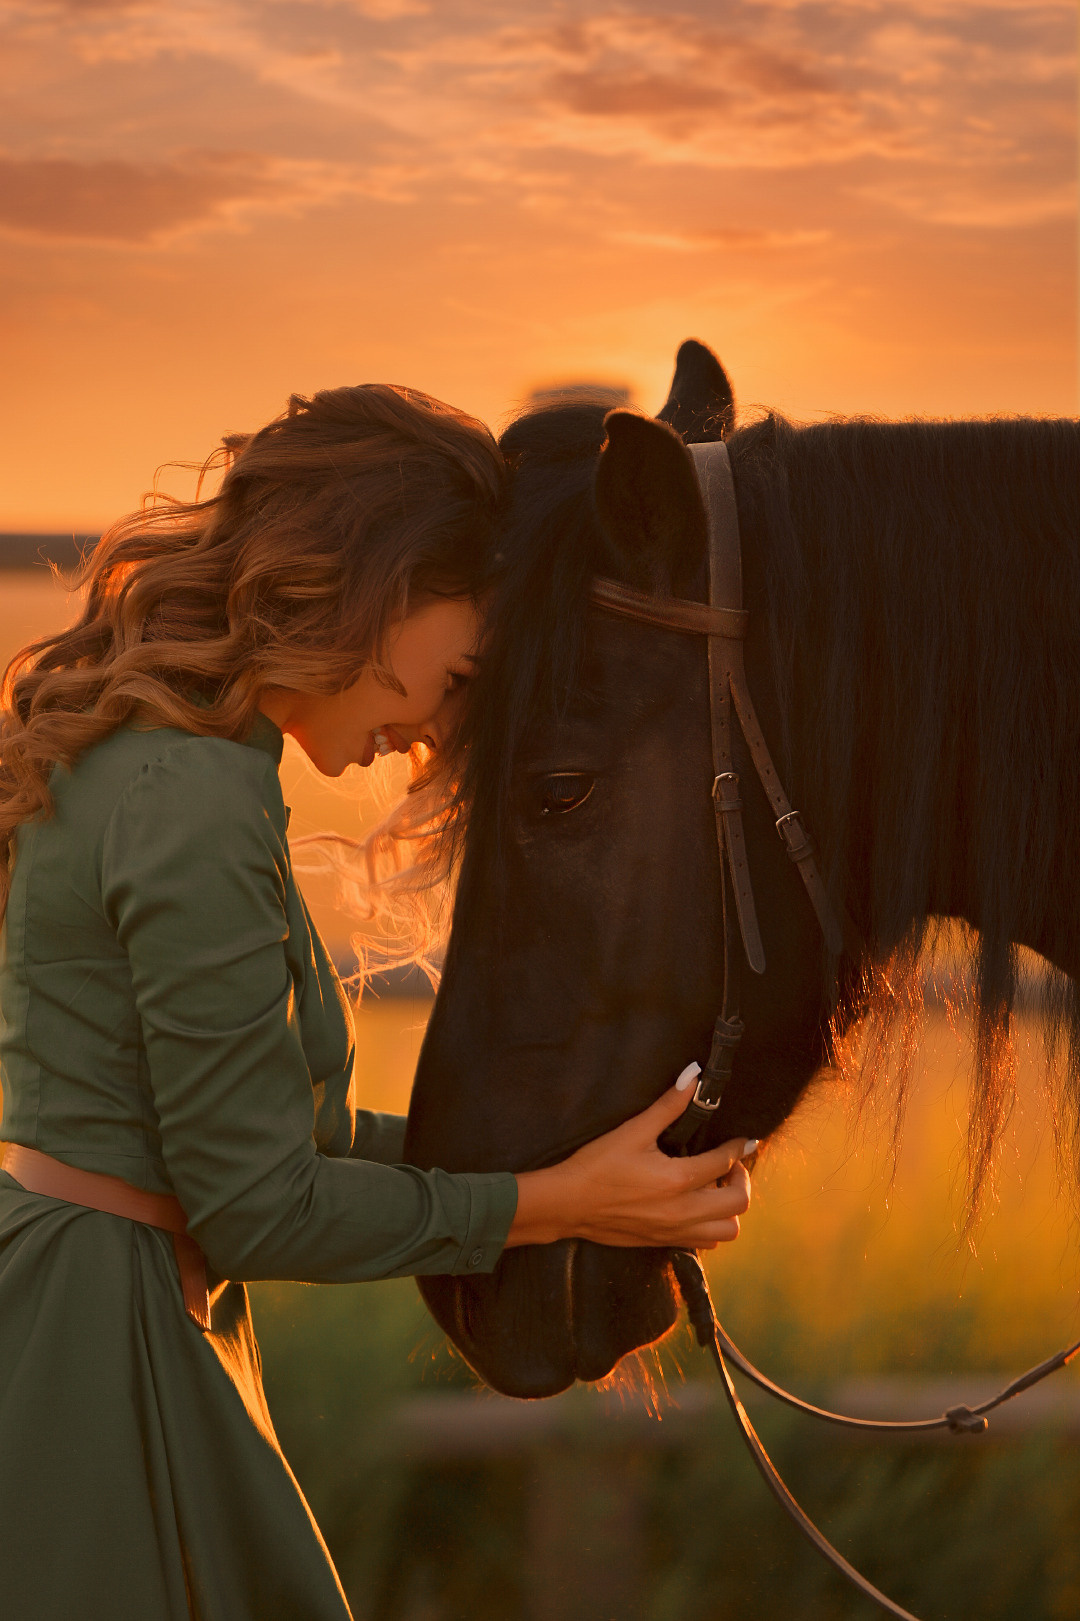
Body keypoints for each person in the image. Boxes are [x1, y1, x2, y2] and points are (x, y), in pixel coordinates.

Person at [0, 383, 751, 1620]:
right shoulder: (191, 799)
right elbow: (257, 1205)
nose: (434, 733)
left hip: (102, 1309)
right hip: (100, 1346)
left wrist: (579, 1185)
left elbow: (279, 1149)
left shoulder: (171, 760)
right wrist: (549, 1201)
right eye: (457, 675)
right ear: (374, 581)